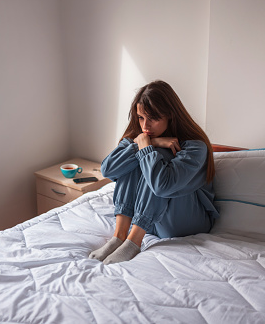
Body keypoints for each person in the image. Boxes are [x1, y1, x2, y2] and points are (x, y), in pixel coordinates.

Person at [89, 80, 219, 265]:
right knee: (131, 160)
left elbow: (163, 186)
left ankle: (134, 242)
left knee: (154, 159)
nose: (145, 126)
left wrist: (148, 150)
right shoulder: (139, 139)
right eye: (141, 117)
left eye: (153, 118)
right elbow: (107, 170)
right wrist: (146, 145)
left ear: (171, 116)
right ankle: (119, 236)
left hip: (186, 221)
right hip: (152, 223)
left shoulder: (195, 147)